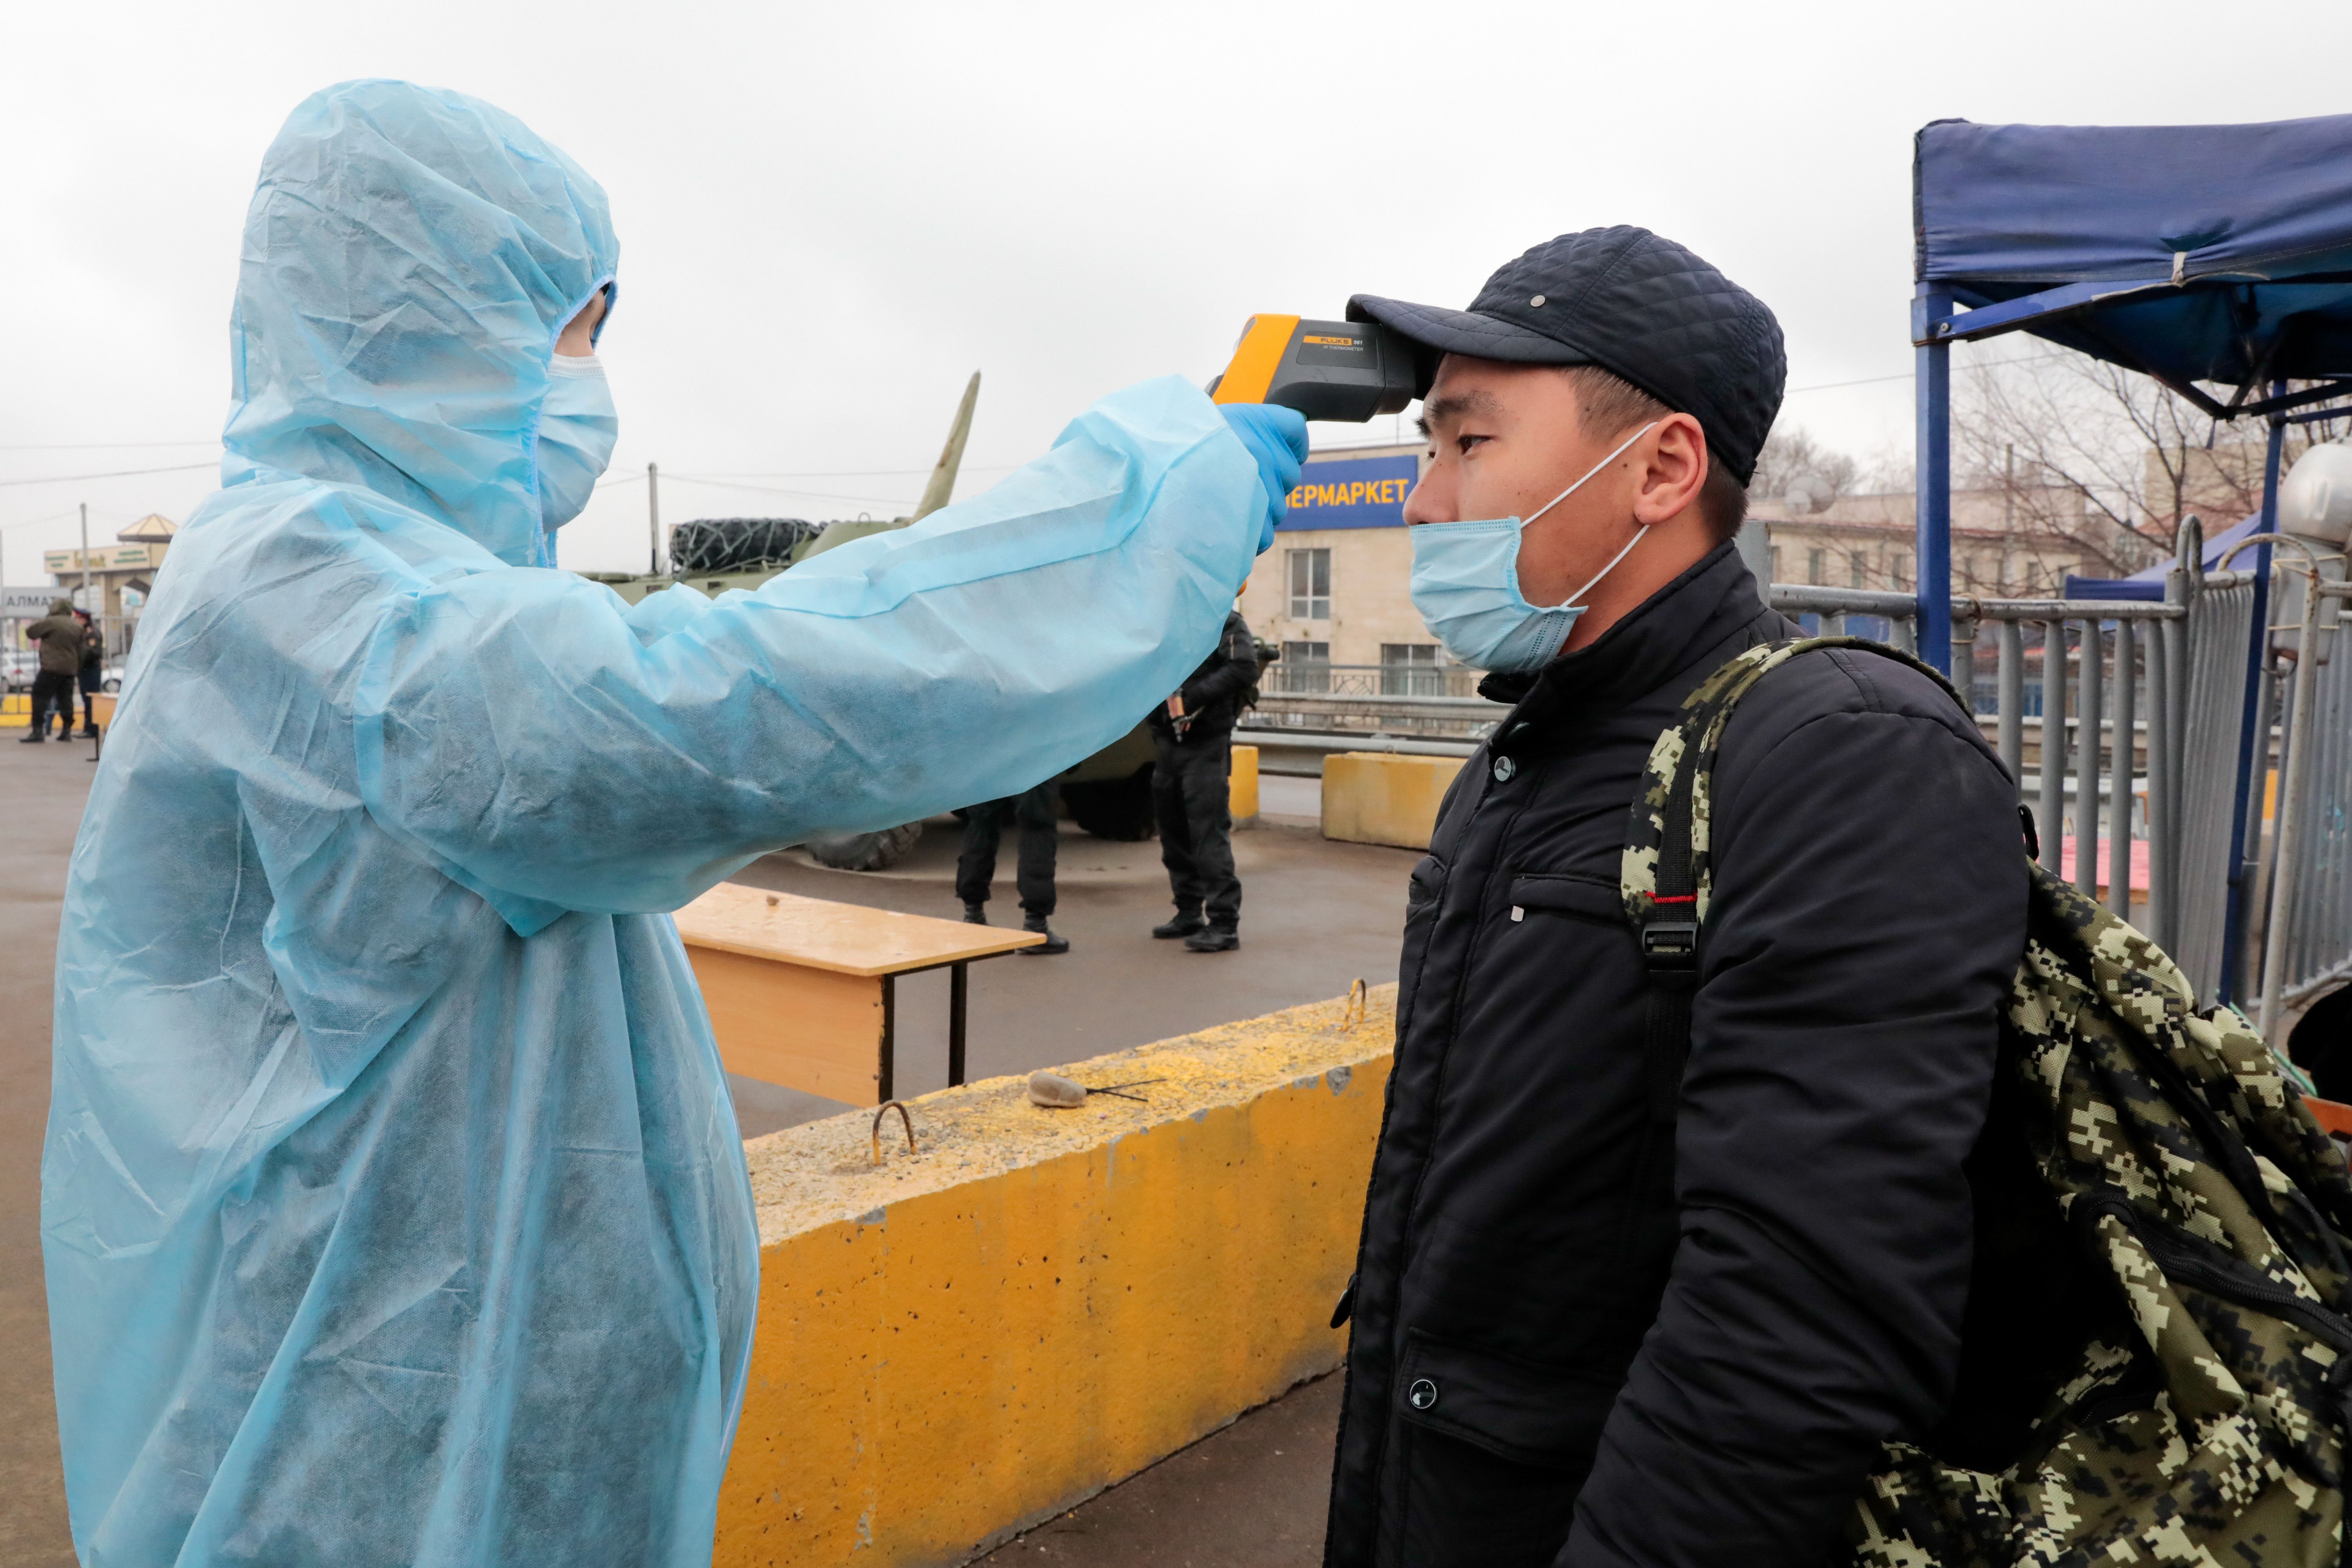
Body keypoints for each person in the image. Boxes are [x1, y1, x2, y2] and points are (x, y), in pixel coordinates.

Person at [41, 79, 1305, 1568]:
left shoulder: (350, 574)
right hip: (377, 1436)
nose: (587, 380)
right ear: (424, 318)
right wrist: (1148, 507)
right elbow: (722, 710)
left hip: (427, 1394)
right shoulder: (322, 603)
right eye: (571, 328)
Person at [1321, 228, 2027, 1566]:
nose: (1421, 501)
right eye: (1428, 446)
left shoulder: (1839, 757)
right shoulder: (1528, 752)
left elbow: (1797, 1313)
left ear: (1659, 467)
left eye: (1464, 444)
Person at [1146, 605, 1257, 950]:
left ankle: (1224, 923)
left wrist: (1191, 698)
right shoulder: (1166, 621)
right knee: (1173, 831)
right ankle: (1189, 911)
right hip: (1169, 742)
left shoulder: (1224, 619)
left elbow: (1244, 667)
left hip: (1206, 742)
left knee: (1208, 834)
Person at [957, 780, 1068, 952]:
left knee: (981, 824)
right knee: (1038, 829)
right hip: (1034, 760)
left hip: (990, 760)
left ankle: (973, 915)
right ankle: (1035, 926)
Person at [18, 599, 81, 744]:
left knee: (39, 695)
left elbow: (31, 632)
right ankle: (67, 731)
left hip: (52, 668)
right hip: (70, 669)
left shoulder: (51, 622)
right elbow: (82, 650)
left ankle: (38, 731)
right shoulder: (76, 626)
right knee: (66, 699)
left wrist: (46, 620)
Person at [73, 609, 104, 738]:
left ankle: (92, 730)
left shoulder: (92, 633)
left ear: (84, 619)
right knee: (87, 700)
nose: (76, 621)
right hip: (85, 670)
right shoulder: (85, 632)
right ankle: (88, 728)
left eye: (78, 619)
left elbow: (94, 653)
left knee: (91, 700)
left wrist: (81, 656)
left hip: (91, 670)